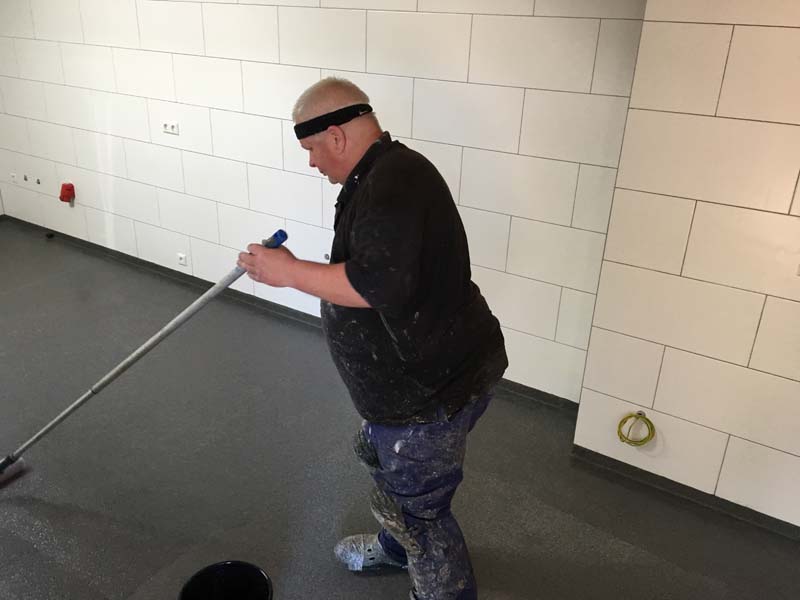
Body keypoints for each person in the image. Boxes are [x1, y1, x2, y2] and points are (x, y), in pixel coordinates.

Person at [237, 77, 508, 600]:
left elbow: (376, 283)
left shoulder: (395, 182)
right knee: (380, 459)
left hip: (428, 392)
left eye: (312, 149)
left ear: (336, 136)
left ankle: (429, 569)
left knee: (421, 513)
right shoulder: (379, 174)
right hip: (415, 381)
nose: (311, 162)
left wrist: (288, 271)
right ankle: (398, 546)